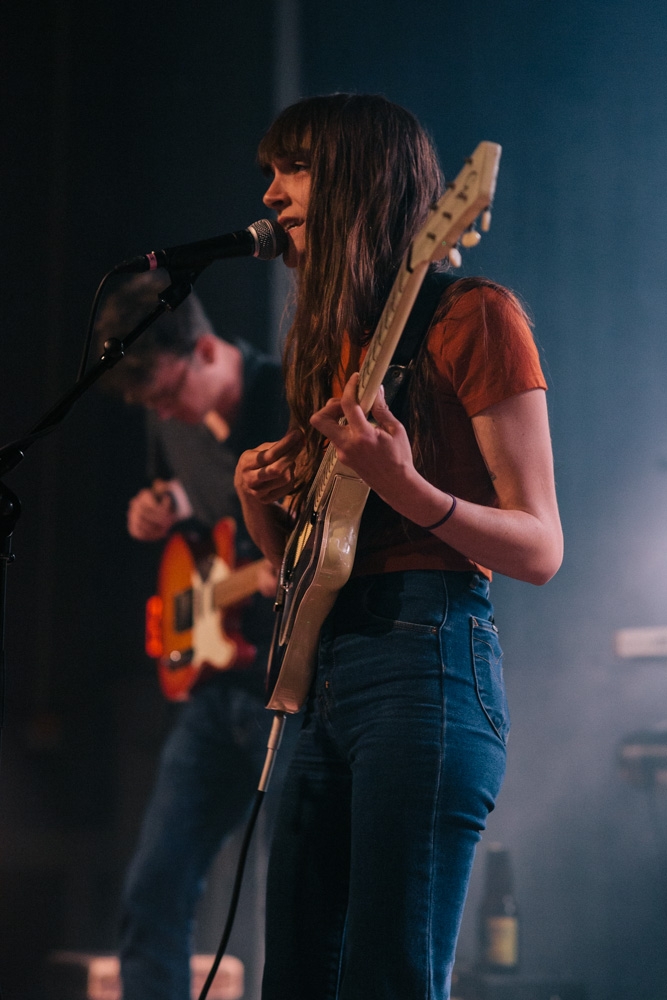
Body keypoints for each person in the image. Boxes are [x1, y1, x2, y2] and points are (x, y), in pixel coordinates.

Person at [234, 93, 563, 1000]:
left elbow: (539, 547)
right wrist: (256, 500)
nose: (270, 194)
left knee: (390, 977)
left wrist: (408, 487)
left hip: (427, 661)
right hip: (324, 672)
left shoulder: (475, 316)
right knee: (295, 977)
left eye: (292, 169)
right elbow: (294, 573)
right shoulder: (333, 345)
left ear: (358, 179)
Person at [95, 272, 290, 1000]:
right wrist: (159, 506)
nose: (165, 413)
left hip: (289, 692)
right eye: (151, 405)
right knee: (154, 891)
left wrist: (288, 565)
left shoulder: (283, 397)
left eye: (169, 395)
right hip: (213, 690)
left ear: (206, 350)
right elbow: (189, 512)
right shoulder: (168, 416)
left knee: (292, 902)